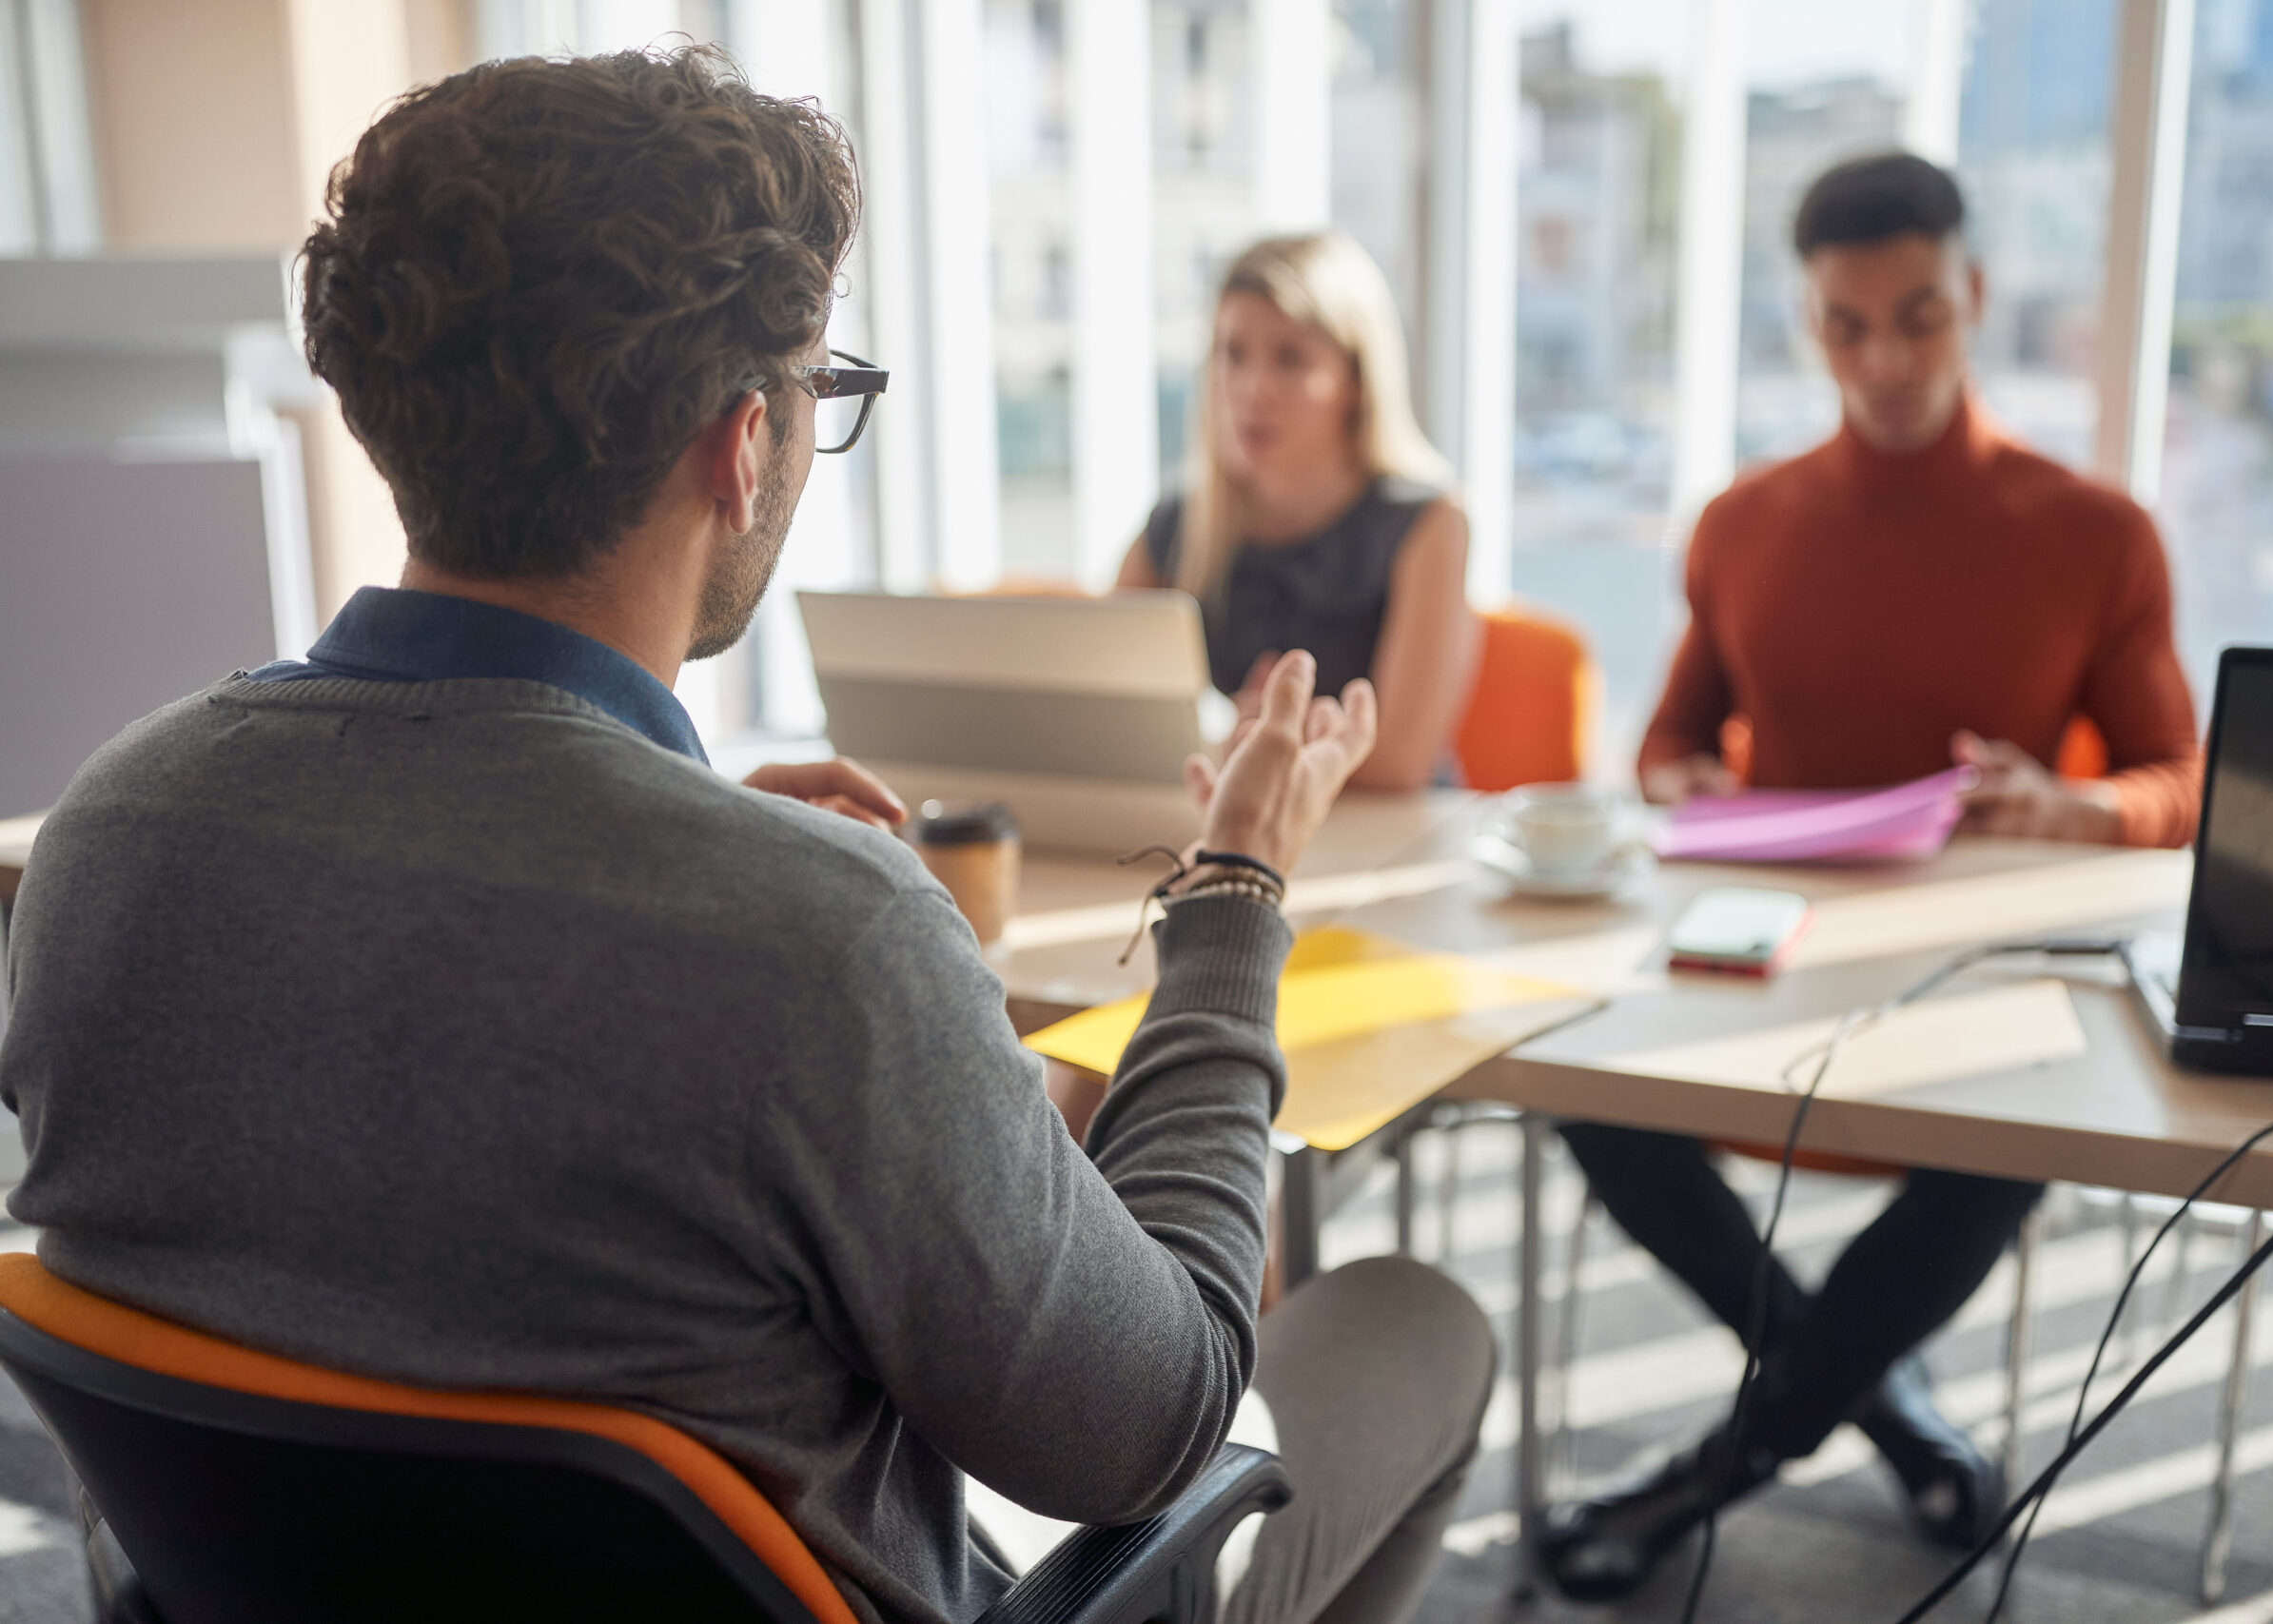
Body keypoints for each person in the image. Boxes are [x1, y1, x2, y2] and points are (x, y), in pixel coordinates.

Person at [0, 49, 1493, 1624]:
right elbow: (1149, 1424)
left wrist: (712, 852)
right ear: (742, 441)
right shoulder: (817, 942)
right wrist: (1236, 895)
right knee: (1409, 1325)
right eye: (816, 397)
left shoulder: (104, 837)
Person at [1542, 151, 2205, 1600]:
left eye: (1919, 316)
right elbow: (1665, 741)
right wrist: (1679, 781)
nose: (1887, 357)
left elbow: (2186, 781)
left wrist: (2081, 804)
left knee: (2033, 1125)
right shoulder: (1742, 522)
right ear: (1812, 325)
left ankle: (1701, 1475)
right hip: (1757, 956)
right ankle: (1894, 1414)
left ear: (1973, 299)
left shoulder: (2095, 533)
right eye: (1849, 326)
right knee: (1571, 1080)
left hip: (1972, 994)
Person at [1117, 232, 1480, 792]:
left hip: (1386, 840)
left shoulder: (1429, 524)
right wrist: (1237, 747)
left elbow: (1399, 765)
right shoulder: (1178, 524)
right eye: (1232, 354)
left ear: (1356, 381)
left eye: (1291, 358)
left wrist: (1248, 746)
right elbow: (1110, 730)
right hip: (1248, 824)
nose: (1253, 389)